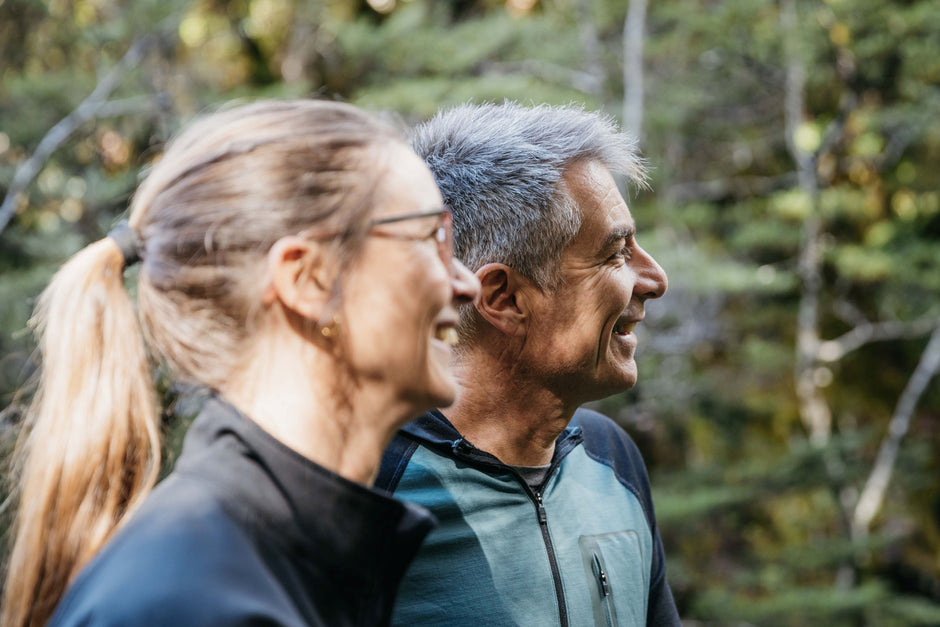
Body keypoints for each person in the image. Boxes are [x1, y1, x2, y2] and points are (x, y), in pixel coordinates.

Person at [1, 99, 480, 627]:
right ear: (308, 280)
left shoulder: (280, 563)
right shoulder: (188, 602)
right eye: (431, 237)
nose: (467, 283)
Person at [376, 102, 681, 626]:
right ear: (505, 298)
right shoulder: (367, 490)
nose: (654, 279)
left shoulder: (614, 460)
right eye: (615, 253)